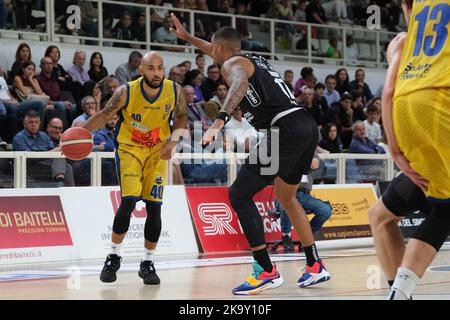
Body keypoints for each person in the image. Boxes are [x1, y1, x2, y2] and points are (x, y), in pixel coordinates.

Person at [170, 13, 331, 295]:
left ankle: (265, 270)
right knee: (286, 196)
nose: (211, 54)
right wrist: (187, 38)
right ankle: (314, 265)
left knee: (238, 194)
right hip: (304, 126)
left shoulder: (233, 65)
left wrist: (219, 120)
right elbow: (218, 51)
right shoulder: (248, 58)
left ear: (221, 49)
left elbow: (239, 85)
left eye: (212, 48)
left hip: (283, 129)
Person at [83, 51, 188, 286]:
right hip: (129, 149)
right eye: (151, 68)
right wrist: (79, 134)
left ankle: (148, 263)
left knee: (155, 208)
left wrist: (173, 141)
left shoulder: (175, 90)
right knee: (129, 201)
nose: (156, 73)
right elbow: (103, 115)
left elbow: (182, 117)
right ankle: (113, 256)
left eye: (160, 68)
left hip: (157, 152)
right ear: (141, 70)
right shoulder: (126, 91)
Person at [382, 0, 450, 300]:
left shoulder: (405, 38)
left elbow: (387, 92)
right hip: (441, 102)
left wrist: (395, 149)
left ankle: (400, 290)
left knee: (445, 210)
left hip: (404, 110)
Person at [369, 173, 432, 293]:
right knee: (379, 216)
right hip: (427, 171)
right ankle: (399, 293)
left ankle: (399, 293)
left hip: (430, 170)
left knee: (379, 217)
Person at [274, 153, 332, 251]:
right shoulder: (287, 149)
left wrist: (297, 159)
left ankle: (306, 235)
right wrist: (303, 162)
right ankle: (286, 235)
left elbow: (314, 164)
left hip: (304, 195)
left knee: (325, 210)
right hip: (285, 193)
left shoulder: (311, 150)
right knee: (286, 204)